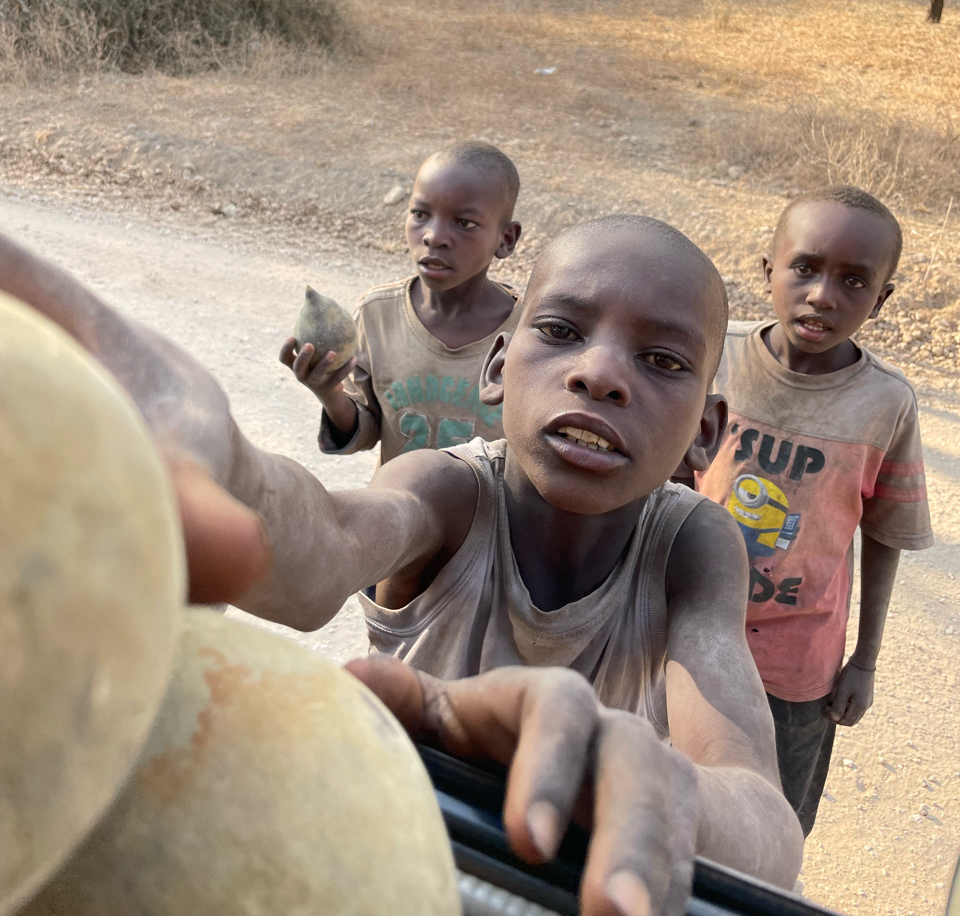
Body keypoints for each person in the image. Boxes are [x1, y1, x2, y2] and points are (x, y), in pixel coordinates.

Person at [0, 219, 804, 909]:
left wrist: (670, 792)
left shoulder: (694, 547)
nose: (599, 373)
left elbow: (764, 819)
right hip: (385, 847)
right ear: (496, 369)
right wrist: (229, 464)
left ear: (708, 431)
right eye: (560, 331)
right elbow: (325, 545)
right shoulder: (448, 489)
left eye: (662, 361)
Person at [694, 185, 933, 838]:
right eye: (805, 267)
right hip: (683, 629)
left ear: (881, 301)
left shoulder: (885, 405)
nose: (824, 295)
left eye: (854, 281)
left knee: (770, 827)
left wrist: (866, 660)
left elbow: (887, 535)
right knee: (660, 793)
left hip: (796, 670)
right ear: (768, 268)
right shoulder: (714, 358)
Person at [280, 141, 522, 462]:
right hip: (401, 508)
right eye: (420, 214)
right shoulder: (377, 315)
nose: (433, 236)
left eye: (464, 223)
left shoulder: (529, 331)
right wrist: (329, 393)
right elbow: (366, 430)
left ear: (505, 240)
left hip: (493, 513)